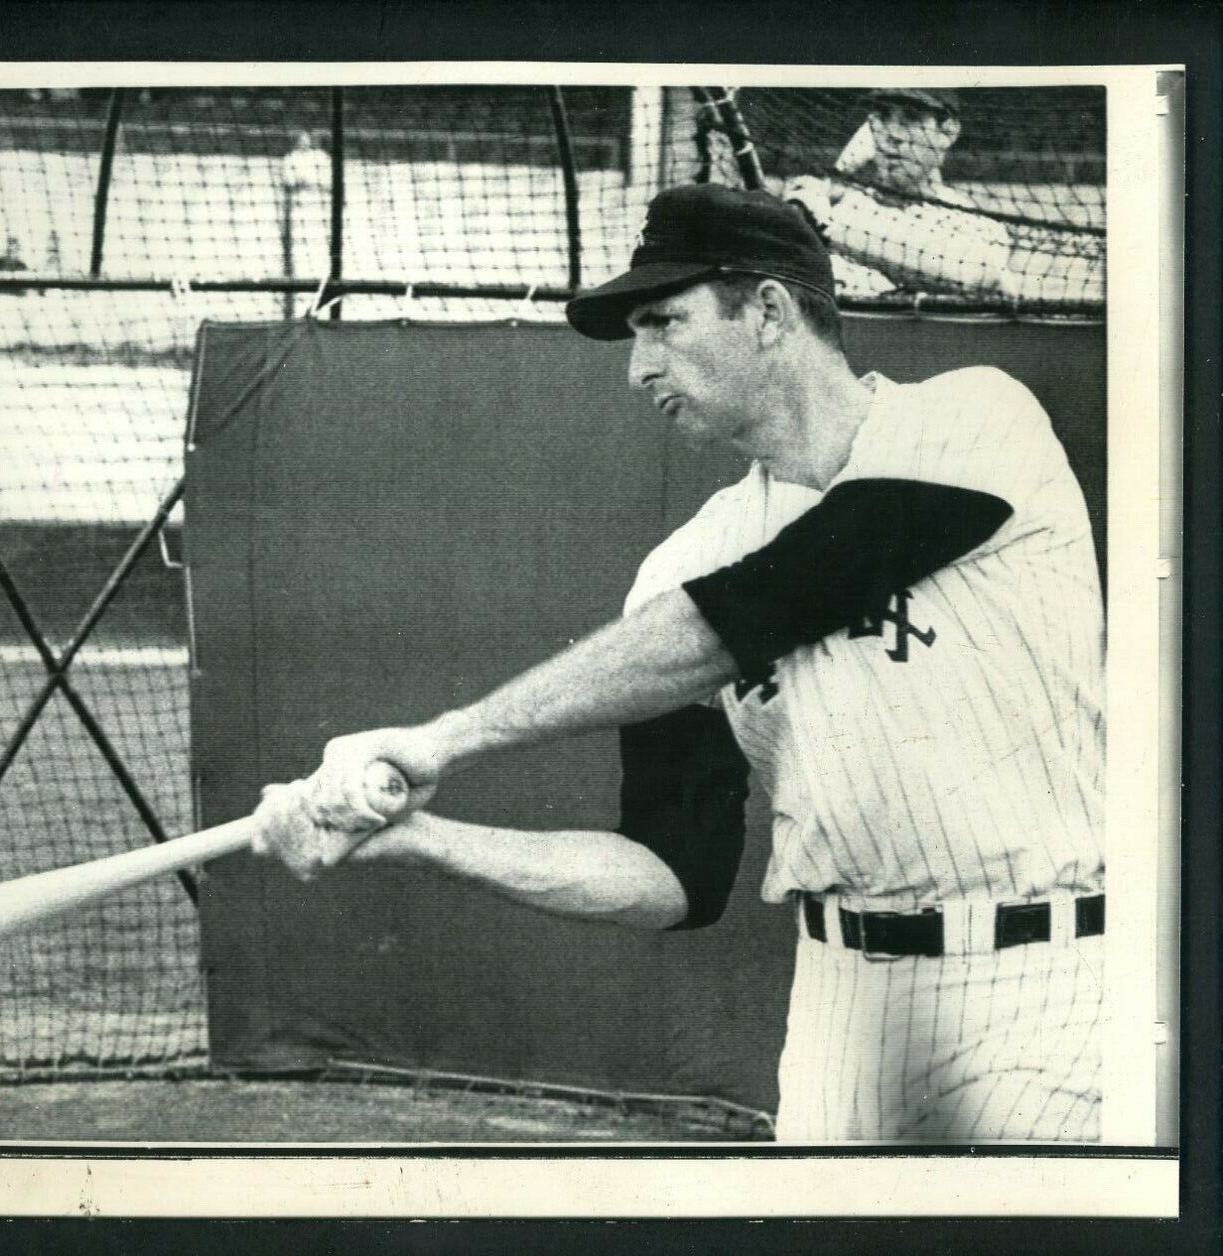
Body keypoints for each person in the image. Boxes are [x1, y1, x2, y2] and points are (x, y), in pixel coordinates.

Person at [250, 182, 1106, 1143]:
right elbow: (669, 878)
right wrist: (418, 837)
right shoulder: (683, 568)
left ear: (771, 311)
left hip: (1047, 977)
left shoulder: (976, 422)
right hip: (842, 1004)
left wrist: (447, 738)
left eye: (664, 323)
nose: (637, 367)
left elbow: (757, 609)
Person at [781, 88, 1023, 303]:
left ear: (947, 132)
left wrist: (827, 228)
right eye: (883, 117)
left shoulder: (979, 227)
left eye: (911, 118)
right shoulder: (833, 204)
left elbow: (973, 274)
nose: (893, 135)